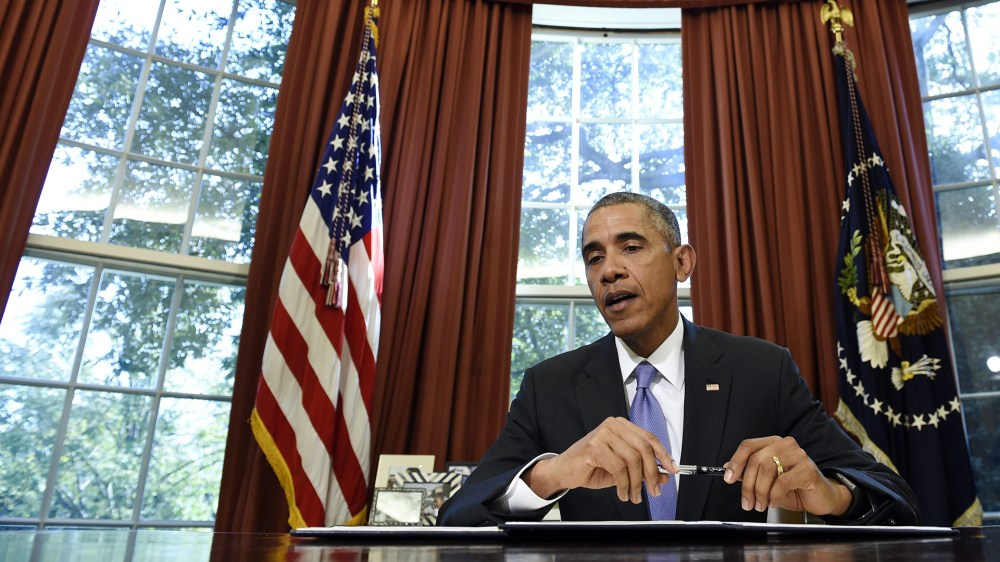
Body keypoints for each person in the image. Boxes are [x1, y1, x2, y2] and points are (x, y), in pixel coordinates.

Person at [437, 191, 918, 527]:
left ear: (682, 263)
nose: (609, 271)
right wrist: (553, 474)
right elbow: (457, 516)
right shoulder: (549, 386)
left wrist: (831, 495)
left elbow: (896, 500)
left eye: (630, 247)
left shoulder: (760, 370)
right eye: (593, 257)